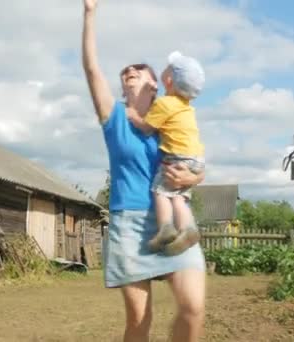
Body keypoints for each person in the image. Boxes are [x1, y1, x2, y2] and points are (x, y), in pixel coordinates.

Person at [81, 1, 206, 341]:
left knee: (193, 308)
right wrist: (89, 14)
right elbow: (92, 70)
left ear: (156, 83)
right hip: (131, 224)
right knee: (139, 320)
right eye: (126, 72)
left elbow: (194, 158)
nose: (130, 70)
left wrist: (196, 177)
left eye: (140, 68)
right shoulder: (114, 117)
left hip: (177, 221)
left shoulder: (172, 113)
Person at [128, 51, 206, 256]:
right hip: (195, 159)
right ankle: (188, 229)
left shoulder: (164, 104)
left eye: (167, 68)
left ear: (168, 79)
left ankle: (165, 228)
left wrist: (132, 115)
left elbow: (146, 127)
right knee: (178, 198)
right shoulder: (186, 106)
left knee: (160, 192)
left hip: (177, 158)